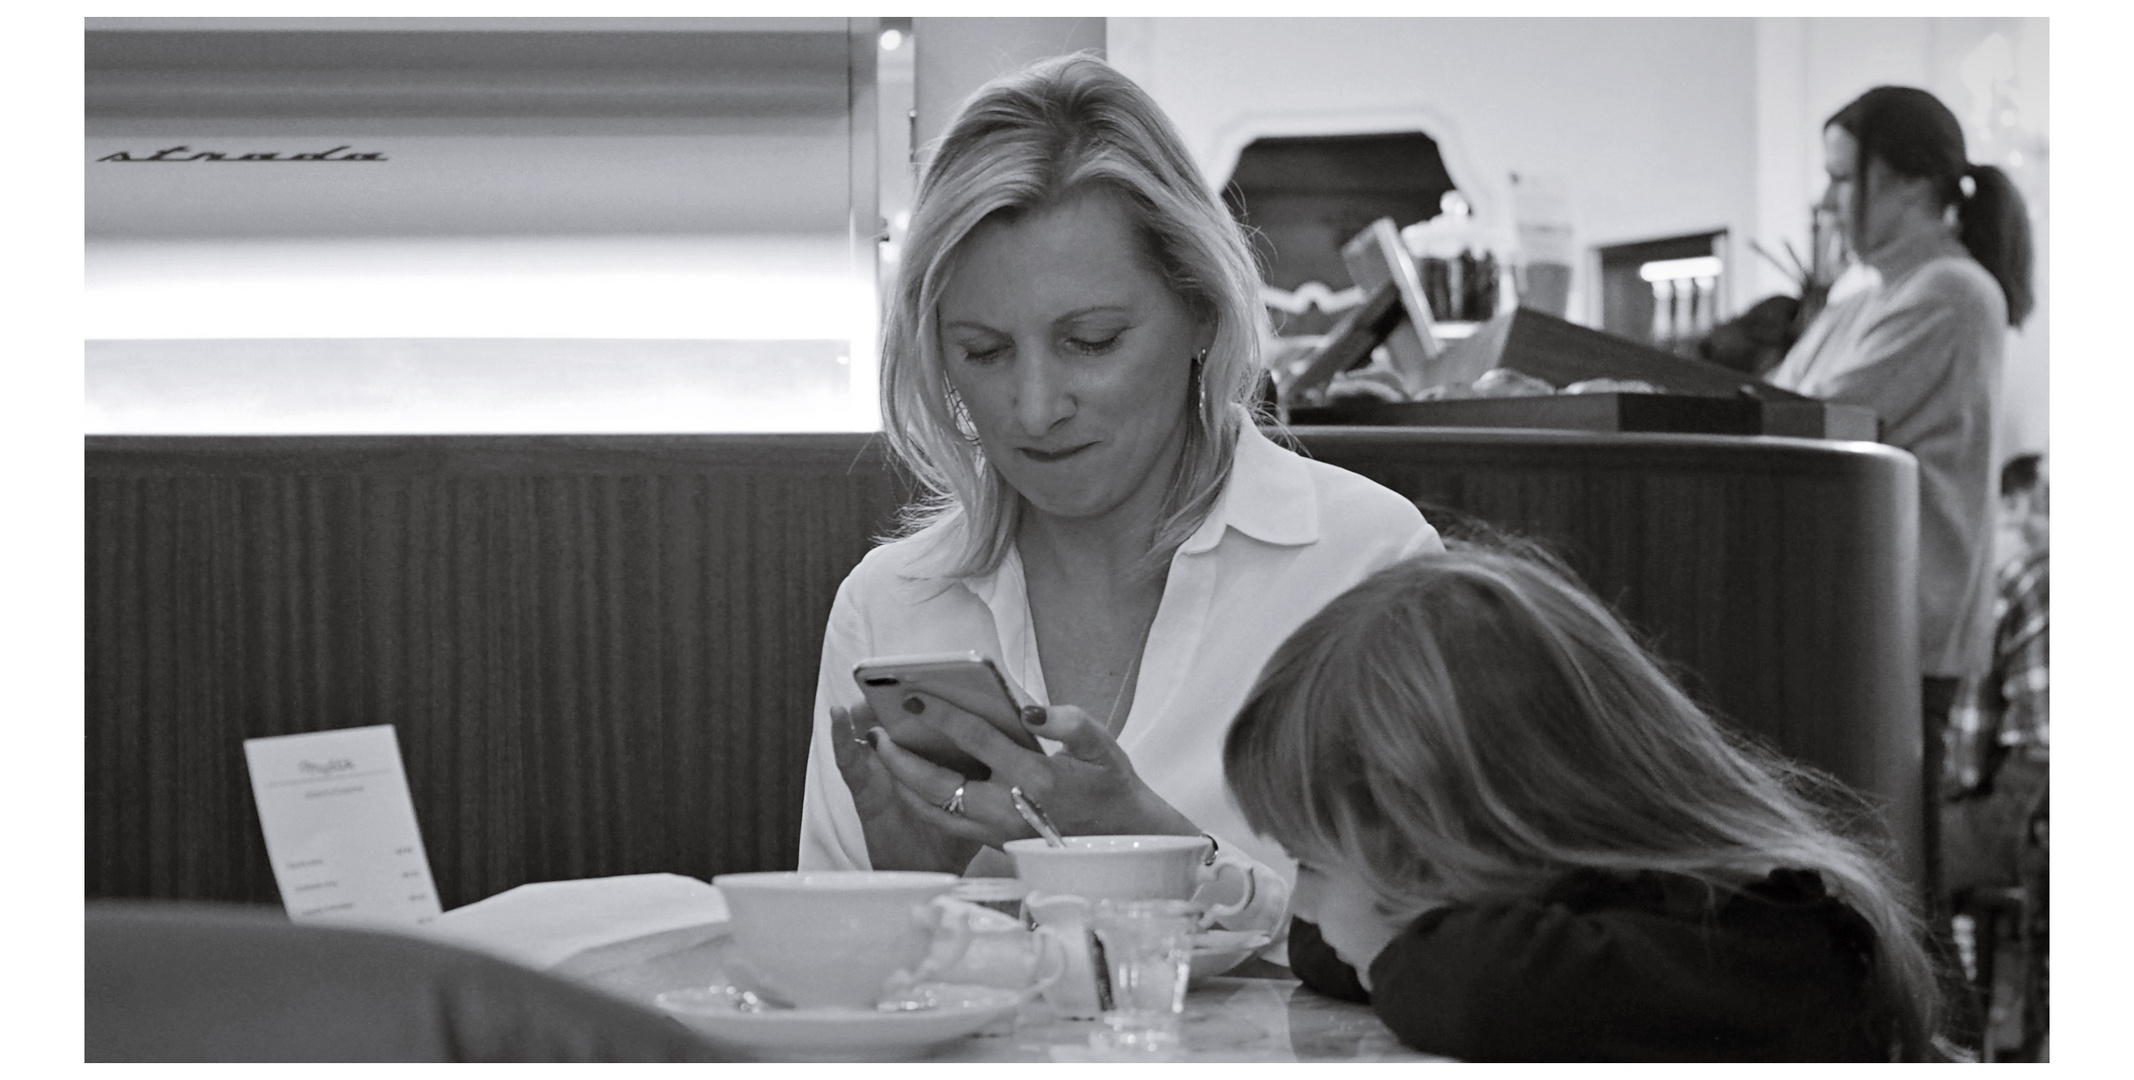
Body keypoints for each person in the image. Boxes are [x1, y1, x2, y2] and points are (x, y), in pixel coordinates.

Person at [795, 54, 1441, 937]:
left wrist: (1162, 855)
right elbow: (826, 1002)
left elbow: (1445, 951)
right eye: (983, 352)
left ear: (1201, 314)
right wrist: (901, 906)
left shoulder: (1366, 565)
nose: (1033, 407)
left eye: (1091, 342)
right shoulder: (890, 604)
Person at [1223, 546, 1942, 1061]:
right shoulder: (1582, 920)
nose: (1301, 904)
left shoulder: (1751, 946)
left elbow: (1475, 990)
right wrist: (1366, 914)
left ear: (1434, 853)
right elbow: (1334, 952)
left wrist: (1378, 927)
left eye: (1309, 865)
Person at [1761, 86, 2034, 919]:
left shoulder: (1951, 291)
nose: (1828, 200)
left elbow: (1803, 422)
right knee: (1855, 890)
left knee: (1886, 898)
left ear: (1911, 183)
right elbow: (1763, 405)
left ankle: (1915, 1047)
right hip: (1847, 624)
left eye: (1844, 179)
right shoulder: (1863, 296)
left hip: (1898, 636)